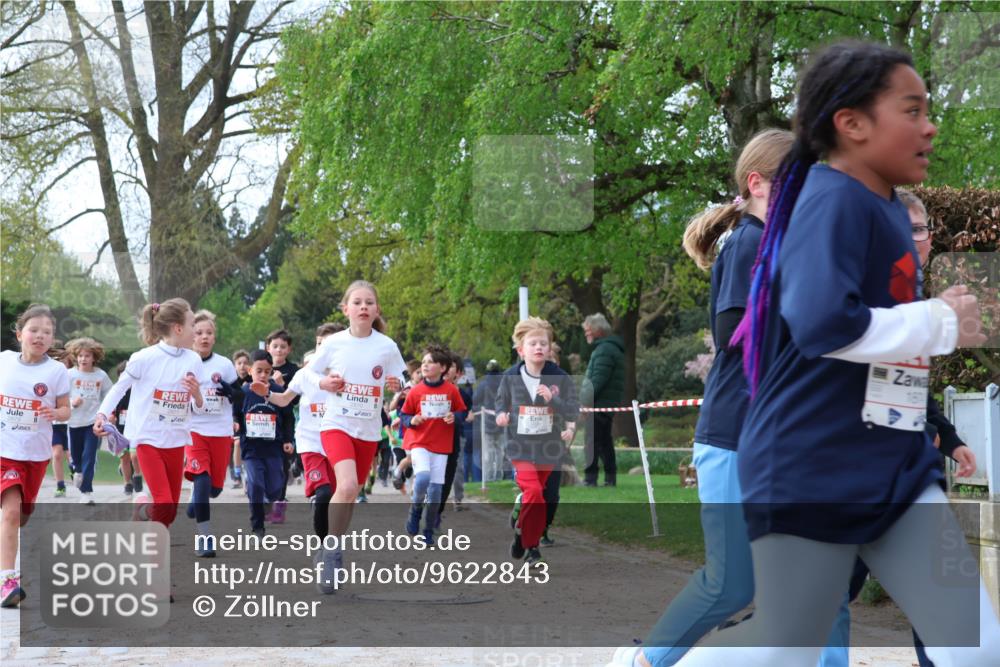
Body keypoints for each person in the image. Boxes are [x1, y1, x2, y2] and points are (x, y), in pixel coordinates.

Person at [672, 41, 999, 667]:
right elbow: (823, 325)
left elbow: (879, 348)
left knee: (977, 648)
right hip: (811, 467)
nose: (930, 125)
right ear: (851, 124)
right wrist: (938, 321)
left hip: (892, 467)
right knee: (785, 649)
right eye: (911, 110)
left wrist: (925, 418)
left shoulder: (883, 208)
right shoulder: (829, 201)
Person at [609, 128, 795, 667]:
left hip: (771, 438)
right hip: (736, 435)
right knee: (730, 586)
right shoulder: (750, 244)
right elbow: (735, 334)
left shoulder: (773, 245)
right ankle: (643, 661)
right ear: (758, 184)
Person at [817, 190, 978, 667]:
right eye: (896, 231)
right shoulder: (866, 297)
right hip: (852, 476)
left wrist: (946, 438)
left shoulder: (912, 293)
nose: (911, 240)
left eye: (919, 230)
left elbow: (910, 384)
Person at [296, 280, 406, 585]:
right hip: (336, 425)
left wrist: (399, 385)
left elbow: (403, 377)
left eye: (369, 302)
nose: (363, 307)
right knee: (343, 487)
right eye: (357, 302)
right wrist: (324, 383)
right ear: (346, 309)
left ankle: (334, 543)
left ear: (376, 310)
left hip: (368, 430)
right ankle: (330, 552)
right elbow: (308, 372)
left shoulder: (386, 346)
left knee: (352, 492)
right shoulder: (334, 343)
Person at [95, 299, 206, 534]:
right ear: (177, 328)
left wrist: (196, 394)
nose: (196, 330)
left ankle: (143, 511)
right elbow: (119, 388)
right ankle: (155, 561)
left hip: (176, 441)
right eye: (192, 324)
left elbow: (197, 407)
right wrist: (103, 414)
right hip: (147, 440)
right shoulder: (144, 358)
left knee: (170, 510)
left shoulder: (194, 360)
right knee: (164, 502)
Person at [1, 304, 71, 608]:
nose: (40, 335)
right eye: (34, 330)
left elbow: (66, 409)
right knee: (12, 512)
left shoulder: (55, 371)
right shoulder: (3, 362)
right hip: (5, 450)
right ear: (19, 334)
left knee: (22, 515)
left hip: (35, 454)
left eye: (47, 331)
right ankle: (7, 581)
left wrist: (54, 412)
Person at [495, 317, 579, 566]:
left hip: (548, 448)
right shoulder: (510, 376)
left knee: (539, 497)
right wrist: (501, 415)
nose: (539, 347)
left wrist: (553, 401)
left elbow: (573, 411)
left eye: (544, 343)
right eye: (533, 343)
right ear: (521, 350)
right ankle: (532, 549)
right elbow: (501, 402)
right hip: (519, 447)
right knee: (532, 492)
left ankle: (522, 534)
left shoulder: (560, 377)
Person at [184, 310, 239, 557]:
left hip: (220, 431)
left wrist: (230, 391)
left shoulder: (225, 365)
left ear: (214, 337)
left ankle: (198, 498)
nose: (204, 337)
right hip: (194, 431)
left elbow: (241, 395)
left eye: (209, 333)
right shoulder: (183, 363)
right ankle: (204, 538)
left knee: (214, 489)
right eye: (199, 333)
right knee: (202, 479)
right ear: (191, 336)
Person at [399, 345, 466, 544]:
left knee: (436, 491)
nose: (426, 366)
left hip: (442, 445)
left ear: (443, 368)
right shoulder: (416, 391)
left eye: (431, 362)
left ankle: (428, 529)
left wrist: (454, 416)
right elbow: (404, 414)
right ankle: (415, 510)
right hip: (419, 441)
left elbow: (462, 412)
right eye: (424, 362)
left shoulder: (451, 390)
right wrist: (412, 420)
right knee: (422, 479)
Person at [236, 350, 294, 537]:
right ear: (250, 370)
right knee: (256, 485)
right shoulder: (243, 392)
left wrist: (287, 439)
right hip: (251, 448)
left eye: (267, 372)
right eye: (258, 371)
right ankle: (257, 526)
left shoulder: (277, 392)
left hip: (274, 448)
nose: (262, 375)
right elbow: (235, 412)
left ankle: (268, 501)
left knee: (276, 489)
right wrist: (235, 422)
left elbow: (288, 417)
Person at [65, 337, 112, 504]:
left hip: (93, 423)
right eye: (80, 356)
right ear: (75, 357)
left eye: (87, 355)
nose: (83, 359)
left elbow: (109, 395)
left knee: (89, 456)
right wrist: (72, 402)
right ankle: (77, 470)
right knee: (76, 456)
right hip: (73, 422)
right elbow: (60, 397)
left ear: (94, 357)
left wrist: (107, 414)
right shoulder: (69, 374)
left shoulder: (101, 376)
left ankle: (86, 491)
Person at [580, 313, 625, 487]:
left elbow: (597, 380)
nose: (586, 334)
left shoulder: (604, 350)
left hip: (598, 404)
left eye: (588, 330)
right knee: (605, 443)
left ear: (598, 330)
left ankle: (590, 479)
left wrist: (584, 401)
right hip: (606, 404)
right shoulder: (611, 348)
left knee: (591, 442)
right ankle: (610, 479)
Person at [265, 329, 299, 518]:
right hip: (262, 422)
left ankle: (279, 503)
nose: (278, 350)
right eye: (275, 346)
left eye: (283, 347)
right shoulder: (260, 367)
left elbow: (294, 401)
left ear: (289, 349)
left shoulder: (294, 371)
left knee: (281, 464)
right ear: (268, 347)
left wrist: (281, 386)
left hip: (284, 422)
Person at [49, 343, 74, 498]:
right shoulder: (49, 377)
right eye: (56, 360)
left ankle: (74, 468)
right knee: (57, 454)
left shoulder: (74, 375)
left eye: (63, 361)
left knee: (71, 455)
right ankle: (60, 485)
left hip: (72, 423)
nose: (60, 364)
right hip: (55, 424)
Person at [110, 360, 138, 495]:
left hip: (137, 431)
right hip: (121, 432)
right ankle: (127, 483)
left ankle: (136, 476)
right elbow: (110, 409)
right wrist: (110, 418)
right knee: (125, 457)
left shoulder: (140, 391)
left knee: (135, 457)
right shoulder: (117, 392)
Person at [474, 359, 504, 482]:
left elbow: (475, 399)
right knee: (500, 451)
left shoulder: (484, 382)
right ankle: (499, 476)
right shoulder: (503, 381)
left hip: (487, 422)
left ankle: (489, 477)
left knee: (489, 451)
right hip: (502, 420)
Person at [230, 349, 251, 489]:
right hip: (236, 416)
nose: (242, 366)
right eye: (239, 363)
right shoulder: (231, 381)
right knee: (237, 444)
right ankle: (237, 473)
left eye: (245, 363)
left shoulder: (253, 379)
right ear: (235, 365)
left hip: (251, 417)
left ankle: (249, 475)